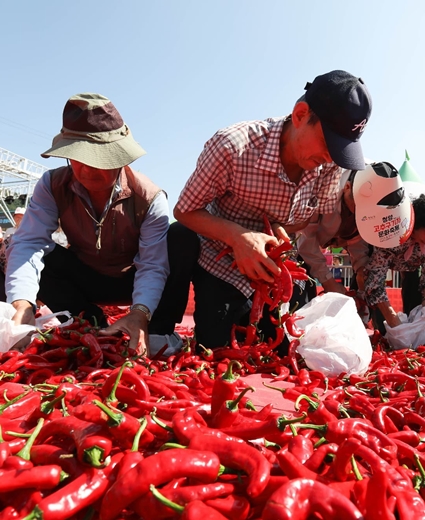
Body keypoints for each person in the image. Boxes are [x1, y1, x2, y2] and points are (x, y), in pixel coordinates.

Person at [163, 69, 373, 350]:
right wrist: (238, 237)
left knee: (287, 348)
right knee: (218, 348)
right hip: (222, 261)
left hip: (276, 270)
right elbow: (185, 210)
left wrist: (277, 230)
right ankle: (165, 324)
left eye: (340, 150)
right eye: (328, 143)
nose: (329, 158)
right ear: (300, 115)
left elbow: (310, 217)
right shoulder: (233, 146)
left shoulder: (331, 165)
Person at [6, 93, 170, 355]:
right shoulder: (52, 185)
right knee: (21, 248)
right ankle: (90, 320)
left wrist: (139, 312)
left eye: (99, 159)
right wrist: (23, 302)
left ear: (119, 157)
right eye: (77, 158)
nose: (86, 169)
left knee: (181, 239)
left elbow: (152, 265)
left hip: (130, 280)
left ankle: (157, 327)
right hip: (84, 276)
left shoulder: (149, 197)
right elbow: (30, 241)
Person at [296, 162, 413, 312]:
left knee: (367, 270)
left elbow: (357, 240)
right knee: (302, 299)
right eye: (358, 208)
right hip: (296, 243)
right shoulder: (324, 185)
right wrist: (327, 280)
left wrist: (361, 271)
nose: (360, 215)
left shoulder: (373, 198)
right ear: (347, 188)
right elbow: (305, 238)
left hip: (315, 243)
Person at [364, 193, 425, 332]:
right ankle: (380, 331)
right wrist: (391, 318)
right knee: (368, 290)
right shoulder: (393, 233)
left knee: (414, 292)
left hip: (411, 267)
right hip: (378, 259)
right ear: (416, 225)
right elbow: (375, 277)